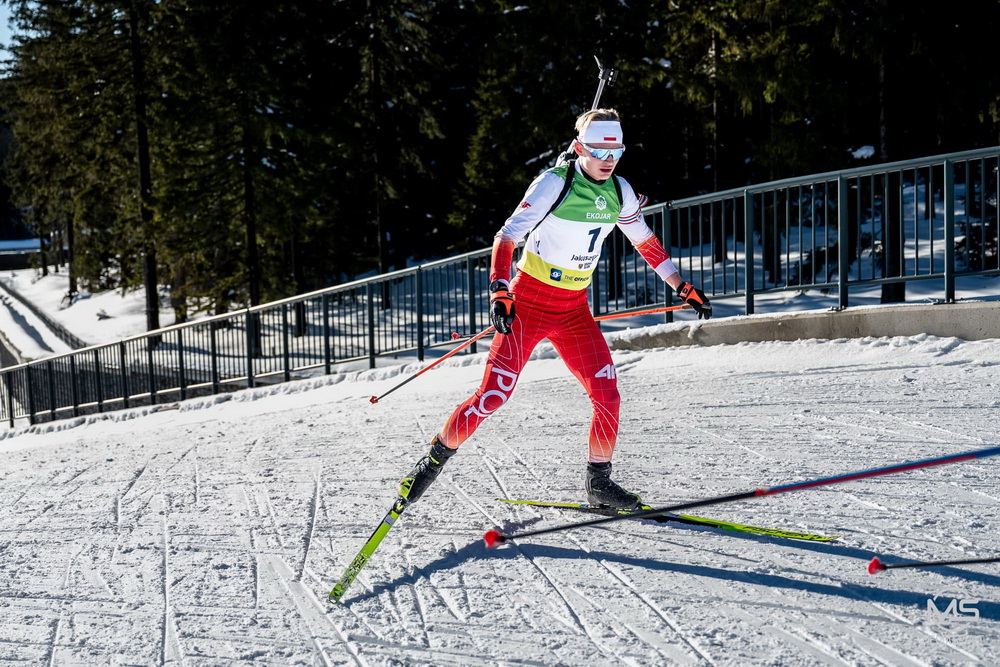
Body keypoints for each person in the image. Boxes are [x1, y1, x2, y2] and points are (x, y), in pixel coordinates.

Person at [398, 109, 712, 509]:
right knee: (493, 396)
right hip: (527, 303)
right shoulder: (554, 183)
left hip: (574, 311)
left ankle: (599, 483)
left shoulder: (620, 190)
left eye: (616, 150)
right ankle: (430, 463)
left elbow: (644, 241)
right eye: (600, 150)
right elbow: (507, 236)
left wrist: (681, 285)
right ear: (580, 148)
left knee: (608, 396)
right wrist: (500, 290)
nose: (609, 159)